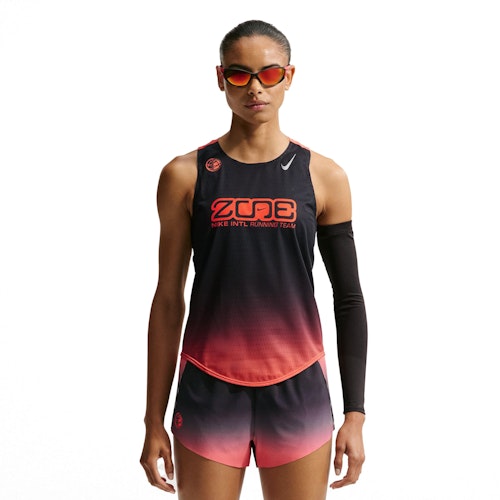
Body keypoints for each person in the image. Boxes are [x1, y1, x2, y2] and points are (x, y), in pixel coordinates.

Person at [140, 19, 368, 500]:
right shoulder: (185, 175)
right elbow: (168, 300)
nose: (255, 88)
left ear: (289, 76)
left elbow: (348, 298)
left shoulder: (324, 177)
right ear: (221, 78)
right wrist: (152, 419)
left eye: (269, 73)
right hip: (208, 387)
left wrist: (355, 413)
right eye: (240, 74)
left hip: (298, 385)